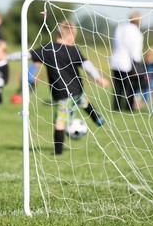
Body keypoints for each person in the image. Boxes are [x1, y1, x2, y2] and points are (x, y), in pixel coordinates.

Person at [14, 20, 109, 155]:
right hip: (76, 89)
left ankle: (58, 152)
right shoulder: (73, 49)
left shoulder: (48, 48)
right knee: (83, 101)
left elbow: (25, 55)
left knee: (59, 123)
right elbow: (86, 64)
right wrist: (98, 78)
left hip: (61, 93)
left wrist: (5, 58)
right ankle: (97, 118)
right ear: (71, 37)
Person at [109, 12, 144, 111]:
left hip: (115, 60)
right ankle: (128, 107)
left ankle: (116, 107)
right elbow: (135, 50)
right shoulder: (136, 32)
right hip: (128, 63)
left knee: (117, 87)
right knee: (130, 87)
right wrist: (138, 63)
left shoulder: (120, 28)